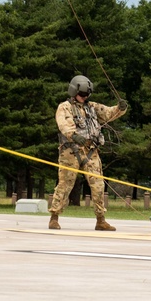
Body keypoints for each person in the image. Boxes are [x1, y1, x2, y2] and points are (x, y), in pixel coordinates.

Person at [48, 75, 127, 231]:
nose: (84, 97)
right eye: (82, 94)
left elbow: (108, 113)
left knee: (98, 185)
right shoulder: (64, 107)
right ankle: (54, 217)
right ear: (73, 91)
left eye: (86, 95)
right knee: (65, 184)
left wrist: (120, 108)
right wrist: (74, 135)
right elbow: (63, 124)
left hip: (91, 151)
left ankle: (100, 220)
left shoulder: (92, 107)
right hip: (71, 151)